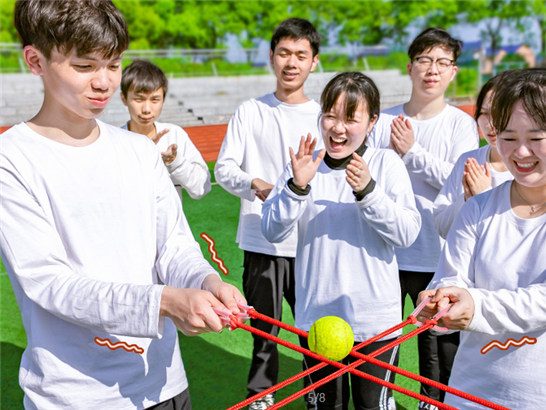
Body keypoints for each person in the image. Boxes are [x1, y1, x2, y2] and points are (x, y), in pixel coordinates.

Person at [0, 1, 245, 409]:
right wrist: (165, 302)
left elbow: (174, 248)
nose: (104, 82)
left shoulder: (138, 151)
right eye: (84, 66)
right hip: (76, 395)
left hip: (164, 382)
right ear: (35, 60)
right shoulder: (12, 158)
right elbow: (49, 283)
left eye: (113, 65)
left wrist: (205, 282)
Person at [417, 68, 546, 409]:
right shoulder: (478, 207)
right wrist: (440, 300)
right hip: (468, 394)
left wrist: (477, 307)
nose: (520, 152)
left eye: (536, 137)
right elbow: (450, 277)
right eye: (508, 137)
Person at [261, 71, 421, 410]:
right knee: (322, 406)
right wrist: (297, 187)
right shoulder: (303, 166)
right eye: (330, 116)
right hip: (317, 321)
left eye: (351, 118)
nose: (338, 128)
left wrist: (368, 191)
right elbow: (272, 231)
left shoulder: (385, 163)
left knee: (373, 406)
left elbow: (407, 233)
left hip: (375, 321)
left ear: (372, 121)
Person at [367, 27, 478, 409]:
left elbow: (458, 181)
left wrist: (412, 152)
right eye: (425, 60)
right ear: (410, 67)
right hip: (386, 253)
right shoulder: (383, 122)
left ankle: (436, 403)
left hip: (437, 255)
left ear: (453, 72)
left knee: (438, 346)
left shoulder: (460, 124)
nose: (433, 70)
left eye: (442, 62)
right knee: (383, 340)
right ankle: (382, 401)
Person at [213, 18, 322, 409]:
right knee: (265, 327)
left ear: (314, 62)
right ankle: (261, 394)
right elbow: (223, 169)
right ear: (272, 58)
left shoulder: (325, 115)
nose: (291, 62)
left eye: (300, 55)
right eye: (284, 53)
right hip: (262, 237)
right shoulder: (250, 111)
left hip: (312, 241)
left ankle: (318, 393)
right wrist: (256, 185)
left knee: (315, 329)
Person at [433, 71, 513, 239]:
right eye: (484, 113)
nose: (491, 123)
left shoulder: (530, 168)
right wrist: (467, 199)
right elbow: (442, 227)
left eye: (500, 114)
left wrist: (484, 195)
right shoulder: (468, 161)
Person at [120, 59, 211, 201]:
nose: (147, 109)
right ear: (124, 98)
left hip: (170, 224)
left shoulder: (174, 135)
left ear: (163, 99)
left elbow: (201, 188)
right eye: (139, 99)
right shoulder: (115, 142)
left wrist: (174, 161)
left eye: (155, 100)